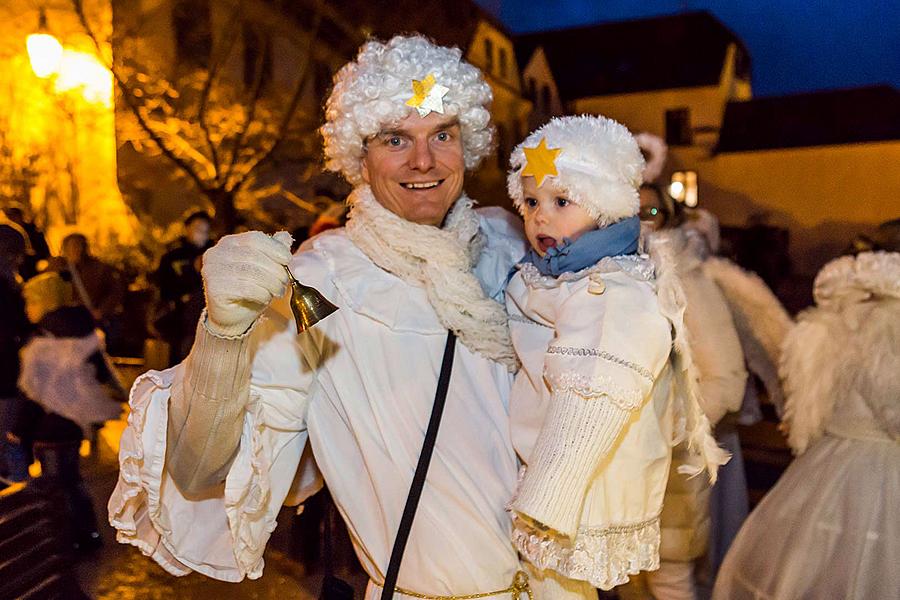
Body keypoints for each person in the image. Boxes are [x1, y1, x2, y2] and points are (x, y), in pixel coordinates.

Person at [109, 36, 590, 599]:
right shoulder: (321, 283)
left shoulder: (512, 245)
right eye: (395, 139)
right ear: (358, 156)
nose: (423, 161)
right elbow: (201, 474)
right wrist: (222, 336)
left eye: (442, 134)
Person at [503, 115, 727, 591]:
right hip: (549, 479)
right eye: (530, 201)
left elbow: (591, 401)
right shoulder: (557, 277)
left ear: (604, 207)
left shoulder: (610, 292)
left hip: (573, 495)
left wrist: (545, 505)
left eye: (562, 201)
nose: (540, 215)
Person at [712, 250, 899, 600]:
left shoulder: (825, 325)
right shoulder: (891, 327)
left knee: (819, 559)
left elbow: (808, 405)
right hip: (884, 461)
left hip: (831, 460)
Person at [18, 271, 123, 552]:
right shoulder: (83, 331)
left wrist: (20, 429)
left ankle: (68, 538)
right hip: (73, 420)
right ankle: (88, 533)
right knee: (72, 478)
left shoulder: (41, 338)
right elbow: (98, 372)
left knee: (56, 483)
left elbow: (34, 392)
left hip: (48, 424)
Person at [153, 210, 215, 365]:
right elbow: (165, 288)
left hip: (210, 318)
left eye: (205, 230)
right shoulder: (173, 257)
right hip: (180, 321)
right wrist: (192, 272)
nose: (201, 234)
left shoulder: (215, 255)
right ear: (187, 228)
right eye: (197, 229)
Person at [0, 223, 34, 485]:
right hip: (6, 369)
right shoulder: (8, 286)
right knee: (7, 432)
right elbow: (17, 325)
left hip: (7, 367)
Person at [52, 233, 126, 327]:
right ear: (65, 249)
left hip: (97, 319)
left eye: (79, 246)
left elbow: (116, 291)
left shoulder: (99, 268)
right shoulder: (58, 269)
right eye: (72, 246)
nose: (76, 250)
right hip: (71, 323)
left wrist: (101, 310)